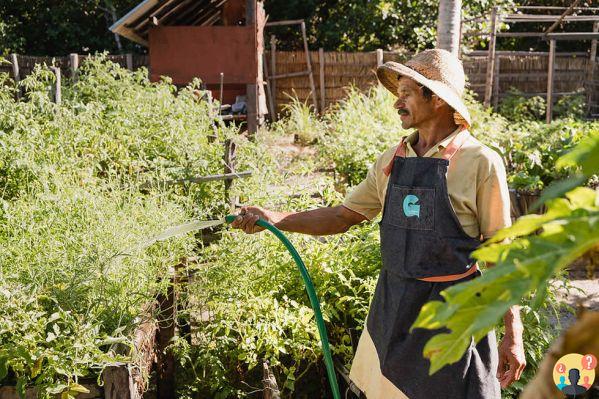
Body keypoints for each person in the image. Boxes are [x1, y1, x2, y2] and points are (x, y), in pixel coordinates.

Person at [231, 49, 526, 398]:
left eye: (407, 95)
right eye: (398, 95)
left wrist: (513, 331)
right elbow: (343, 216)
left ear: (438, 100)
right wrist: (276, 218)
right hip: (392, 313)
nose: (397, 104)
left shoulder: (480, 162)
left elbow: (499, 254)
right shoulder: (392, 160)